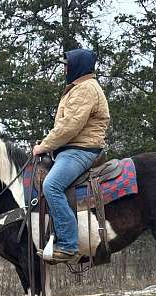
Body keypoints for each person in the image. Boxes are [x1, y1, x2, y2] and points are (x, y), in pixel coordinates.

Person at [32, 48, 110, 263]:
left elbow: (70, 126)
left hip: (80, 150)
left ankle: (68, 245)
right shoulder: (79, 88)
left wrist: (44, 146)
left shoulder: (85, 89)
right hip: (72, 148)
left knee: (51, 186)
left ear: (78, 66)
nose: (65, 69)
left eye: (67, 64)